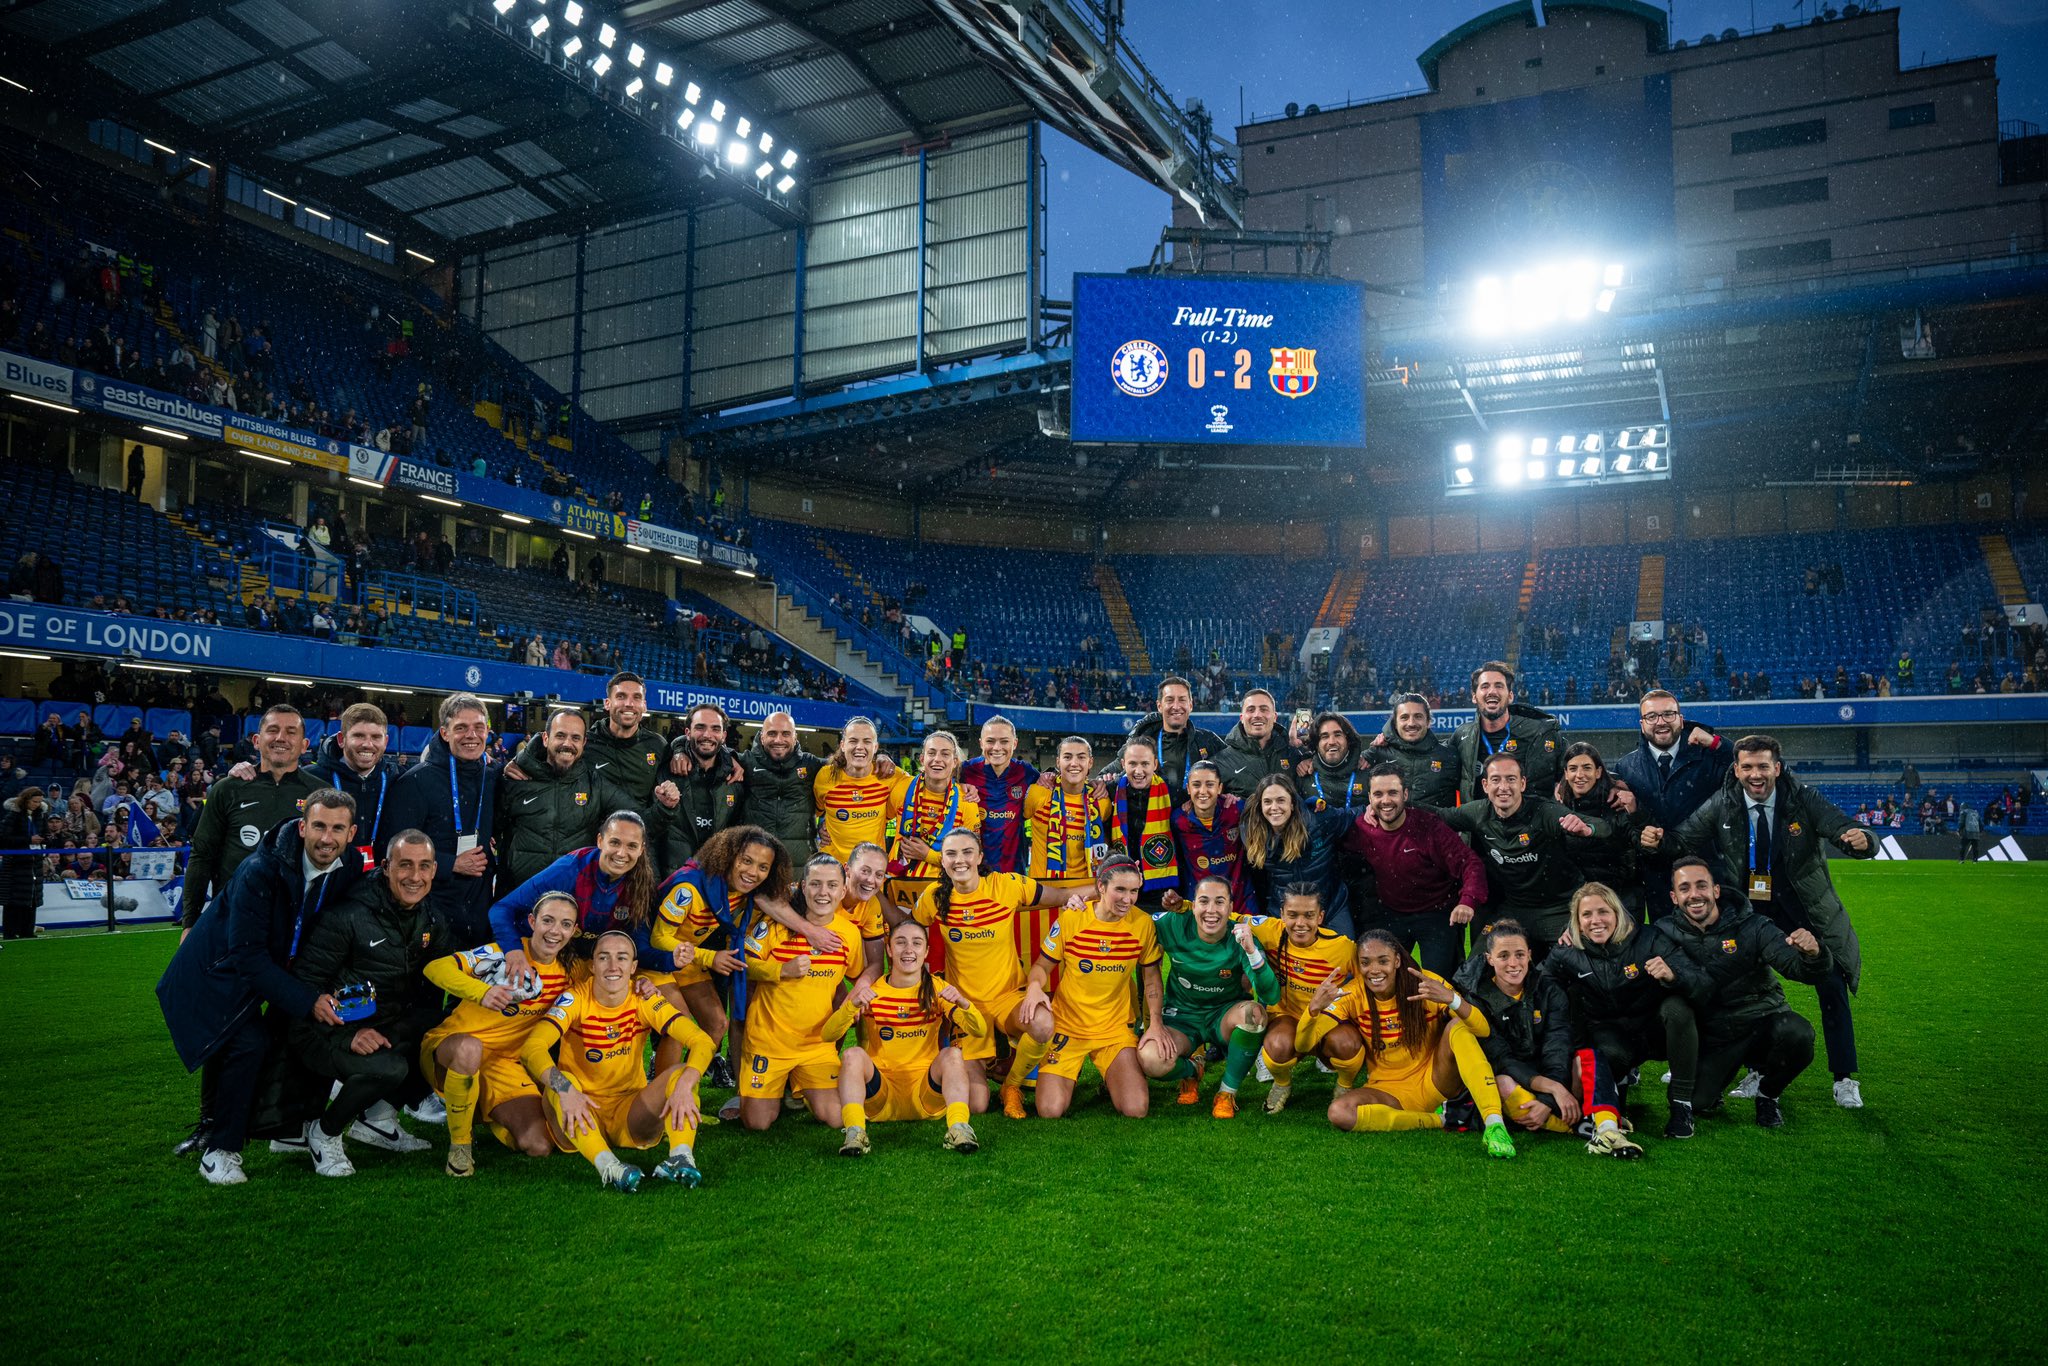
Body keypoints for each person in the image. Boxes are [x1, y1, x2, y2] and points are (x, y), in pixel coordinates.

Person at [154, 791, 369, 1181]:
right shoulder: (261, 870)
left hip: (268, 971)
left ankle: (287, 1129)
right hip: (214, 975)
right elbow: (247, 956)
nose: (327, 837)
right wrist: (308, 999)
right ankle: (220, 1151)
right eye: (319, 826)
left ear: (351, 833)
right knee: (248, 1044)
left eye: (338, 828)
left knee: (298, 1035)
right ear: (302, 827)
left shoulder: (349, 865)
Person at [1652, 734, 1874, 1108]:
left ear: (1777, 768)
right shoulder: (1723, 804)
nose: (1756, 775)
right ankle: (1756, 1067)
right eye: (1748, 767)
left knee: (1831, 983)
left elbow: (1844, 828)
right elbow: (1683, 838)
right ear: (1736, 769)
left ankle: (1844, 1077)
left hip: (1803, 908)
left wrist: (1864, 840)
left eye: (1763, 766)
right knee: (1740, 983)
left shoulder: (1802, 800)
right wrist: (1653, 837)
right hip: (1752, 911)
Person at [288, 829, 454, 1178]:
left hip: (378, 1023)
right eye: (405, 865)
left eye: (424, 866)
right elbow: (304, 986)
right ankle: (325, 1133)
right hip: (321, 1032)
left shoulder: (431, 918)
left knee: (446, 1026)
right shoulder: (348, 914)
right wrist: (347, 1036)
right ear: (385, 866)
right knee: (389, 1067)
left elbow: (449, 971)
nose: (415, 876)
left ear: (435, 870)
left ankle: (378, 1123)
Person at [519, 930, 716, 1192]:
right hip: (578, 1108)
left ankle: (680, 1158)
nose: (613, 966)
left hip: (631, 1113)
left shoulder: (645, 998)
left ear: (633, 967)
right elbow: (532, 1048)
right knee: (563, 1082)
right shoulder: (575, 998)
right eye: (604, 958)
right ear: (592, 966)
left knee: (682, 1074)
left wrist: (685, 1085)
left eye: (622, 958)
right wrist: (565, 1090)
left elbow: (701, 1041)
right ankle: (609, 1167)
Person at [1654, 857, 1834, 1129]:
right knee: (1697, 1103)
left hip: (1760, 1022)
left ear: (1716, 890)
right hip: (1713, 1036)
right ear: (1674, 896)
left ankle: (1768, 1094)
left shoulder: (1753, 925)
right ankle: (1713, 1087)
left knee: (1798, 1035)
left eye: (1701, 885)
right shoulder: (1664, 932)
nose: (1694, 895)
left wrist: (1814, 954)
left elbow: (1799, 969)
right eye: (1685, 888)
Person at [1310, 928, 1518, 1158]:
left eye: (1383, 961)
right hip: (1388, 1091)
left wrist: (1453, 1000)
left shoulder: (1426, 983)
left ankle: (1494, 1124)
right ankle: (1442, 1119)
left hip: (1436, 1080)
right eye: (1366, 962)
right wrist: (1312, 1012)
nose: (1375, 970)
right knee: (1339, 1112)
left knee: (1458, 1026)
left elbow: (1483, 1029)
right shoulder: (1352, 993)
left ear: (1397, 960)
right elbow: (1303, 1043)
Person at [912, 828, 1072, 1117]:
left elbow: (1061, 897)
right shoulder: (934, 897)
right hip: (964, 1006)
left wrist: (1097, 893)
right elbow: (907, 928)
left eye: (966, 852)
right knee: (976, 1104)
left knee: (1043, 1024)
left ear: (980, 857)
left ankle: (1011, 1085)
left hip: (1007, 998)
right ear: (943, 862)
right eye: (951, 854)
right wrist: (877, 902)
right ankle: (993, 1059)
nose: (959, 860)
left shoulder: (1006, 885)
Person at [420, 890, 580, 1176]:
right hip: (451, 1049)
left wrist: (646, 985)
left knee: (539, 1145)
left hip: (504, 1064)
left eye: (565, 924)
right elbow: (435, 968)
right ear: (532, 921)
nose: (555, 931)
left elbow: (610, 977)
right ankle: (460, 1145)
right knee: (470, 1049)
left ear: (574, 930)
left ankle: (485, 1110)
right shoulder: (503, 953)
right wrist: (483, 992)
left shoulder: (570, 973)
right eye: (548, 920)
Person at [1452, 919, 1642, 1157]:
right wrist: (1553, 1091)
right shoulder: (1476, 997)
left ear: (1530, 955)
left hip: (1553, 1079)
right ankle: (1571, 1127)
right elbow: (1502, 1059)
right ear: (1489, 958)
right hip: (1518, 1080)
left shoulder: (1548, 989)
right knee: (1501, 1081)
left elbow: (1558, 1047)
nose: (1513, 963)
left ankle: (1608, 1130)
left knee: (1588, 1057)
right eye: (1503, 956)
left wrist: (1548, 1100)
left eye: (1520, 954)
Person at [1546, 881, 1705, 1138]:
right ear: (1575, 921)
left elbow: (1701, 982)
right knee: (1602, 1048)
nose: (1595, 921)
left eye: (1603, 912)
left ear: (1617, 913)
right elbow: (1545, 985)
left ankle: (1681, 1106)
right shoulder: (1566, 951)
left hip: (1654, 1030)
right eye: (1586, 914)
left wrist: (1673, 975)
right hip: (1611, 1034)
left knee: (1677, 1008)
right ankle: (1616, 1088)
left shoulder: (1649, 938)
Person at [1016, 855, 1168, 1119]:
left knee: (1136, 1109)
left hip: (1114, 1029)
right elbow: (1041, 966)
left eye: (1134, 891)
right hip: (1068, 1026)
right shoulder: (1072, 918)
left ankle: (1112, 1080)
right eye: (1120, 889)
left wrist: (1155, 1023)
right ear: (1100, 887)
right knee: (1050, 1110)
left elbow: (1152, 979)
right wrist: (1034, 988)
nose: (1127, 899)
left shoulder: (1142, 924)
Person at [830, 918, 987, 1156]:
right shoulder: (872, 993)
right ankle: (855, 1133)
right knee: (852, 1054)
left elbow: (979, 1031)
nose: (909, 950)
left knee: (953, 1054)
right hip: (879, 1098)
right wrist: (850, 1006)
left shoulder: (937, 988)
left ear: (926, 952)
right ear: (889, 949)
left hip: (926, 1095)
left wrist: (964, 1003)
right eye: (901, 943)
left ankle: (959, 1128)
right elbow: (828, 1034)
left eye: (916, 943)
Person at [736, 855, 865, 1130]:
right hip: (769, 1041)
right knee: (757, 1123)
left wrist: (853, 1001)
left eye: (832, 885)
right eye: (816, 884)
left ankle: (801, 1085)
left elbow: (855, 976)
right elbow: (743, 965)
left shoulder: (849, 935)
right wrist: (782, 970)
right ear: (802, 887)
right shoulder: (776, 925)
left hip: (815, 1046)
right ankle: (779, 1088)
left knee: (835, 1117)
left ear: (843, 891)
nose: (823, 893)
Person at [505, 673, 683, 869]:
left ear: (644, 706)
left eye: (636, 698)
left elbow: (684, 757)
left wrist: (682, 751)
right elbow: (552, 749)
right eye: (621, 696)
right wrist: (519, 761)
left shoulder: (658, 746)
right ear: (607, 703)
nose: (629, 704)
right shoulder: (585, 744)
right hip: (594, 850)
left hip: (640, 840)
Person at [1440, 752, 1607, 956]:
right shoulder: (1478, 813)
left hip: (1560, 908)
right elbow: (1438, 815)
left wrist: (1588, 828)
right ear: (1485, 785)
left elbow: (1603, 826)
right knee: (1478, 962)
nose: (1503, 787)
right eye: (1495, 780)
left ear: (1523, 784)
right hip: (1515, 910)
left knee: (1573, 966)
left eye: (1511, 779)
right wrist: (1395, 803)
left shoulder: (1544, 812)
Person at [1140, 874, 1279, 1118]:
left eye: (1219, 902)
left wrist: (1251, 951)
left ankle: (1226, 1092)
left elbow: (1270, 995)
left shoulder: (1241, 938)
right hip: (1182, 1017)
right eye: (1204, 901)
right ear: (1192, 905)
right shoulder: (1172, 924)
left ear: (1231, 907)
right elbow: (1129, 922)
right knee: (1150, 1059)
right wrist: (1080, 904)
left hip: (1223, 1014)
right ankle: (1192, 1071)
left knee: (1254, 1015)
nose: (1211, 910)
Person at [181, 705, 322, 930]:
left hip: (293, 923)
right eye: (273, 730)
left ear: (305, 745)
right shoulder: (226, 789)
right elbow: (202, 856)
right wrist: (190, 923)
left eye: (291, 732)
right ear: (256, 740)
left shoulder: (321, 795)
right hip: (231, 918)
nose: (281, 738)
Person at [1340, 763, 1487, 978]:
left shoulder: (1428, 826)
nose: (1386, 800)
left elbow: (1470, 862)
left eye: (1393, 793)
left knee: (1438, 982)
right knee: (1383, 978)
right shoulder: (1363, 827)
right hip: (1391, 914)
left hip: (1436, 913)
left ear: (1405, 794)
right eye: (1378, 794)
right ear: (1369, 799)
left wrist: (1467, 900)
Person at [1608, 690, 1732, 916]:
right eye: (1652, 716)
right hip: (1657, 879)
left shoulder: (1708, 757)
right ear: (1642, 724)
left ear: (1681, 719)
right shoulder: (1625, 768)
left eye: (1668, 714)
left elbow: (1751, 768)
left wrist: (1717, 744)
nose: (1660, 722)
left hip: (1707, 870)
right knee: (1666, 944)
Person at [488, 812, 658, 975]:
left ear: (641, 850)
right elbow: (501, 909)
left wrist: (669, 961)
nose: (621, 853)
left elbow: (638, 942)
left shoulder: (641, 884)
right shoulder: (568, 870)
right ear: (600, 841)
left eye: (631, 846)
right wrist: (513, 950)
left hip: (583, 965)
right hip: (535, 957)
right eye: (614, 842)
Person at [386, 693, 497, 943]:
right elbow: (391, 848)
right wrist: (450, 864)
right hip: (430, 909)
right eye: (461, 728)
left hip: (480, 910)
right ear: (445, 733)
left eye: (479, 727)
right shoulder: (415, 782)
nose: (471, 735)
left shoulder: (493, 777)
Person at [1247, 883, 1359, 1114]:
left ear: (1320, 916)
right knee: (1277, 1045)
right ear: (1281, 914)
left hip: (1326, 1018)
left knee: (1347, 1044)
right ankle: (1282, 1084)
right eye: (1293, 915)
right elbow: (1224, 916)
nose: (1300, 923)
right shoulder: (1268, 930)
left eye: (1308, 915)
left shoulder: (1343, 947)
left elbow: (1368, 977)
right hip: (1286, 1016)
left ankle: (1345, 1086)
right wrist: (1182, 906)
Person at [493, 707, 623, 890]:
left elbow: (638, 816)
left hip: (571, 898)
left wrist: (665, 806)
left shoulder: (595, 785)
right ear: (545, 739)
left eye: (575, 738)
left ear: (584, 742)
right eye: (560, 735)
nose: (568, 743)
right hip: (518, 897)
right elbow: (488, 829)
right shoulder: (515, 779)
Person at [881, 730, 983, 918]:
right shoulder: (902, 788)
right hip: (900, 887)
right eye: (932, 753)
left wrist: (928, 855)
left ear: (955, 762)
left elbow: (971, 860)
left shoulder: (967, 801)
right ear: (921, 758)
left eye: (945, 754)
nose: (937, 759)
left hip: (942, 889)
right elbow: (877, 820)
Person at [1237, 773, 1358, 930]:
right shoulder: (1252, 834)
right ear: (1260, 805)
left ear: (1292, 804)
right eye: (1267, 802)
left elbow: (1356, 815)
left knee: (1345, 953)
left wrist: (1372, 811)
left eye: (1281, 800)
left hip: (1331, 908)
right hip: (1285, 913)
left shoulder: (1319, 821)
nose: (1274, 807)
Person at [1454, 661, 1564, 801]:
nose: (1492, 691)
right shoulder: (1461, 737)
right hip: (1478, 821)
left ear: (1510, 696)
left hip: (1526, 821)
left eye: (1499, 686)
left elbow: (1573, 768)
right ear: (1474, 697)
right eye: (1485, 686)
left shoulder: (1540, 733)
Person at [1554, 742, 1642, 913]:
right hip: (1576, 901)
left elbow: (1638, 845)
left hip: (1620, 899)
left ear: (1598, 771)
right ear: (1566, 773)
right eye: (1572, 769)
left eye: (1587, 768)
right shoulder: (1556, 808)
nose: (1579, 775)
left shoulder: (1616, 804)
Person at [1114, 675, 1226, 805]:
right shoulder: (1141, 743)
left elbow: (1234, 772)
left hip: (1191, 822)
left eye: (1182, 700)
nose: (1176, 706)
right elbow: (1112, 771)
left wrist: (1230, 795)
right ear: (1159, 706)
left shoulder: (1208, 740)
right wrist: (1100, 781)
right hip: (1152, 821)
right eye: (1170, 700)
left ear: (1190, 705)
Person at [731, 710, 818, 870]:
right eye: (772, 734)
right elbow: (709, 753)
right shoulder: (745, 763)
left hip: (797, 871)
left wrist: (880, 756)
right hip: (755, 869)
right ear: (762, 737)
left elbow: (846, 765)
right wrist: (681, 749)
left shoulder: (811, 765)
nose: (779, 740)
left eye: (786, 734)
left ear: (795, 737)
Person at [958, 715, 1038, 876]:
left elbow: (1059, 785)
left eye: (1004, 741)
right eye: (990, 741)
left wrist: (1096, 783)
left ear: (1014, 743)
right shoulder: (964, 771)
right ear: (981, 743)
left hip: (1014, 874)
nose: (996, 747)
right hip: (973, 874)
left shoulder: (1025, 772)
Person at [1163, 760, 1246, 913]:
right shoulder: (1178, 820)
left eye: (1209, 784)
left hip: (1241, 903)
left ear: (1220, 787)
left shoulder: (1237, 810)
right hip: (1200, 905)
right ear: (1188, 788)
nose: (1202, 791)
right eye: (1196, 785)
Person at [812, 717, 897, 862]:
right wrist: (820, 826)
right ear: (843, 745)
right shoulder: (825, 776)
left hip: (870, 871)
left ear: (875, 747)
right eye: (853, 741)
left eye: (867, 741)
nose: (859, 747)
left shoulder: (890, 776)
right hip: (833, 871)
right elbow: (815, 812)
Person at [668, 703, 745, 860]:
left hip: (716, 876)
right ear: (687, 733)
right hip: (674, 878)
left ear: (724, 736)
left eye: (715, 729)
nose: (707, 735)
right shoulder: (667, 769)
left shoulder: (737, 778)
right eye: (700, 727)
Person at [1369, 693, 1462, 809]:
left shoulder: (1449, 756)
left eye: (1418, 716)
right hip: (1392, 827)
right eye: (1404, 717)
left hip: (1436, 826)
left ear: (1428, 722)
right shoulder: (1377, 754)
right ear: (1395, 723)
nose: (1411, 723)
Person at [1212, 689, 1305, 800]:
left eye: (1264, 709)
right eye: (1251, 710)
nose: (1257, 715)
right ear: (1242, 718)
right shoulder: (1221, 761)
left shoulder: (1294, 756)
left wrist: (1306, 751)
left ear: (1275, 717)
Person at [0, 785, 46, 940]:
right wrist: (28, 840)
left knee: (31, 898)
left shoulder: (40, 815)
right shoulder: (13, 815)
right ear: (26, 800)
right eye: (34, 801)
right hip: (15, 863)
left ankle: (27, 931)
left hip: (34, 862)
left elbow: (43, 831)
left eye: (39, 802)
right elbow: (3, 838)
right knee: (14, 900)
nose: (37, 804)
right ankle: (10, 932)